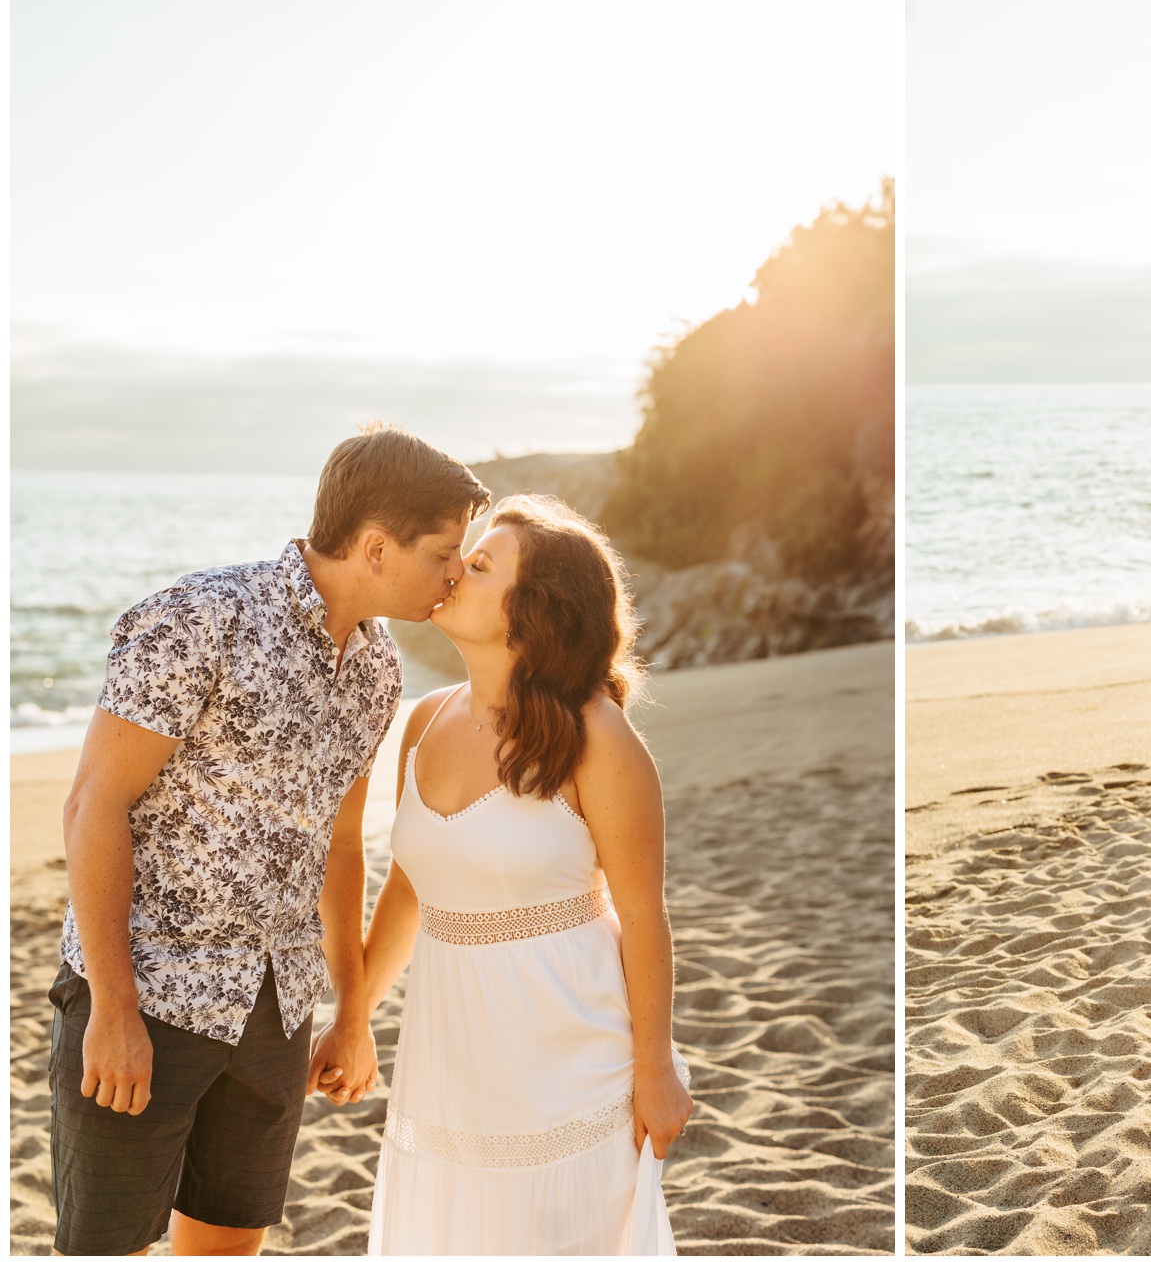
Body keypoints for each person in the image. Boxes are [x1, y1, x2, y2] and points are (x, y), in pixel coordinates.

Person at [49, 424, 489, 1256]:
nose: (456, 572)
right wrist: (111, 1008)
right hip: (149, 992)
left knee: (228, 1247)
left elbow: (345, 847)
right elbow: (92, 806)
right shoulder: (199, 618)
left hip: (276, 1008)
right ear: (375, 547)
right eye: (444, 552)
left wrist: (352, 1013)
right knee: (103, 1247)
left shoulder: (379, 670)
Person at [360, 493, 693, 1255]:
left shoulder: (597, 739)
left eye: (478, 566)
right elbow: (412, 888)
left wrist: (655, 1069)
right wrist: (354, 1017)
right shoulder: (424, 721)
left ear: (534, 608)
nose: (453, 572)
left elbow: (644, 915)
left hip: (569, 1051)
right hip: (449, 1052)